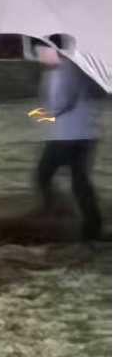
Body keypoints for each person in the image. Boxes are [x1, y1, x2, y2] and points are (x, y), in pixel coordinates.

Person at [34, 35, 106, 241]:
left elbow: (63, 102)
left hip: (68, 138)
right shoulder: (73, 70)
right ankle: (91, 225)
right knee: (79, 183)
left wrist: (45, 115)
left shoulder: (67, 71)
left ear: (53, 50)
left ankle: (58, 212)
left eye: (41, 52)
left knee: (44, 176)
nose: (39, 57)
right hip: (80, 135)